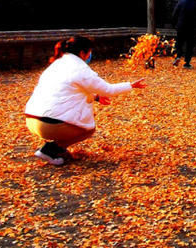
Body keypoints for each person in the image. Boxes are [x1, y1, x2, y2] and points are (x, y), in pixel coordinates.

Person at [25, 35, 146, 165]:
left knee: (75, 117)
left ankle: (57, 147)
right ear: (83, 53)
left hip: (32, 119)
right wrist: (131, 85)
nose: (90, 55)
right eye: (89, 52)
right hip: (50, 124)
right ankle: (50, 150)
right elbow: (108, 90)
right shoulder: (80, 70)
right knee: (88, 129)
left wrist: (96, 97)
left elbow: (67, 91)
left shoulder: (57, 64)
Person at [172, 0, 196, 69]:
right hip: (192, 28)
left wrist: (175, 24)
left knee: (179, 43)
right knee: (190, 45)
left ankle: (178, 56)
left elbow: (175, 14)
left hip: (181, 26)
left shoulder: (181, 2)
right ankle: (187, 62)